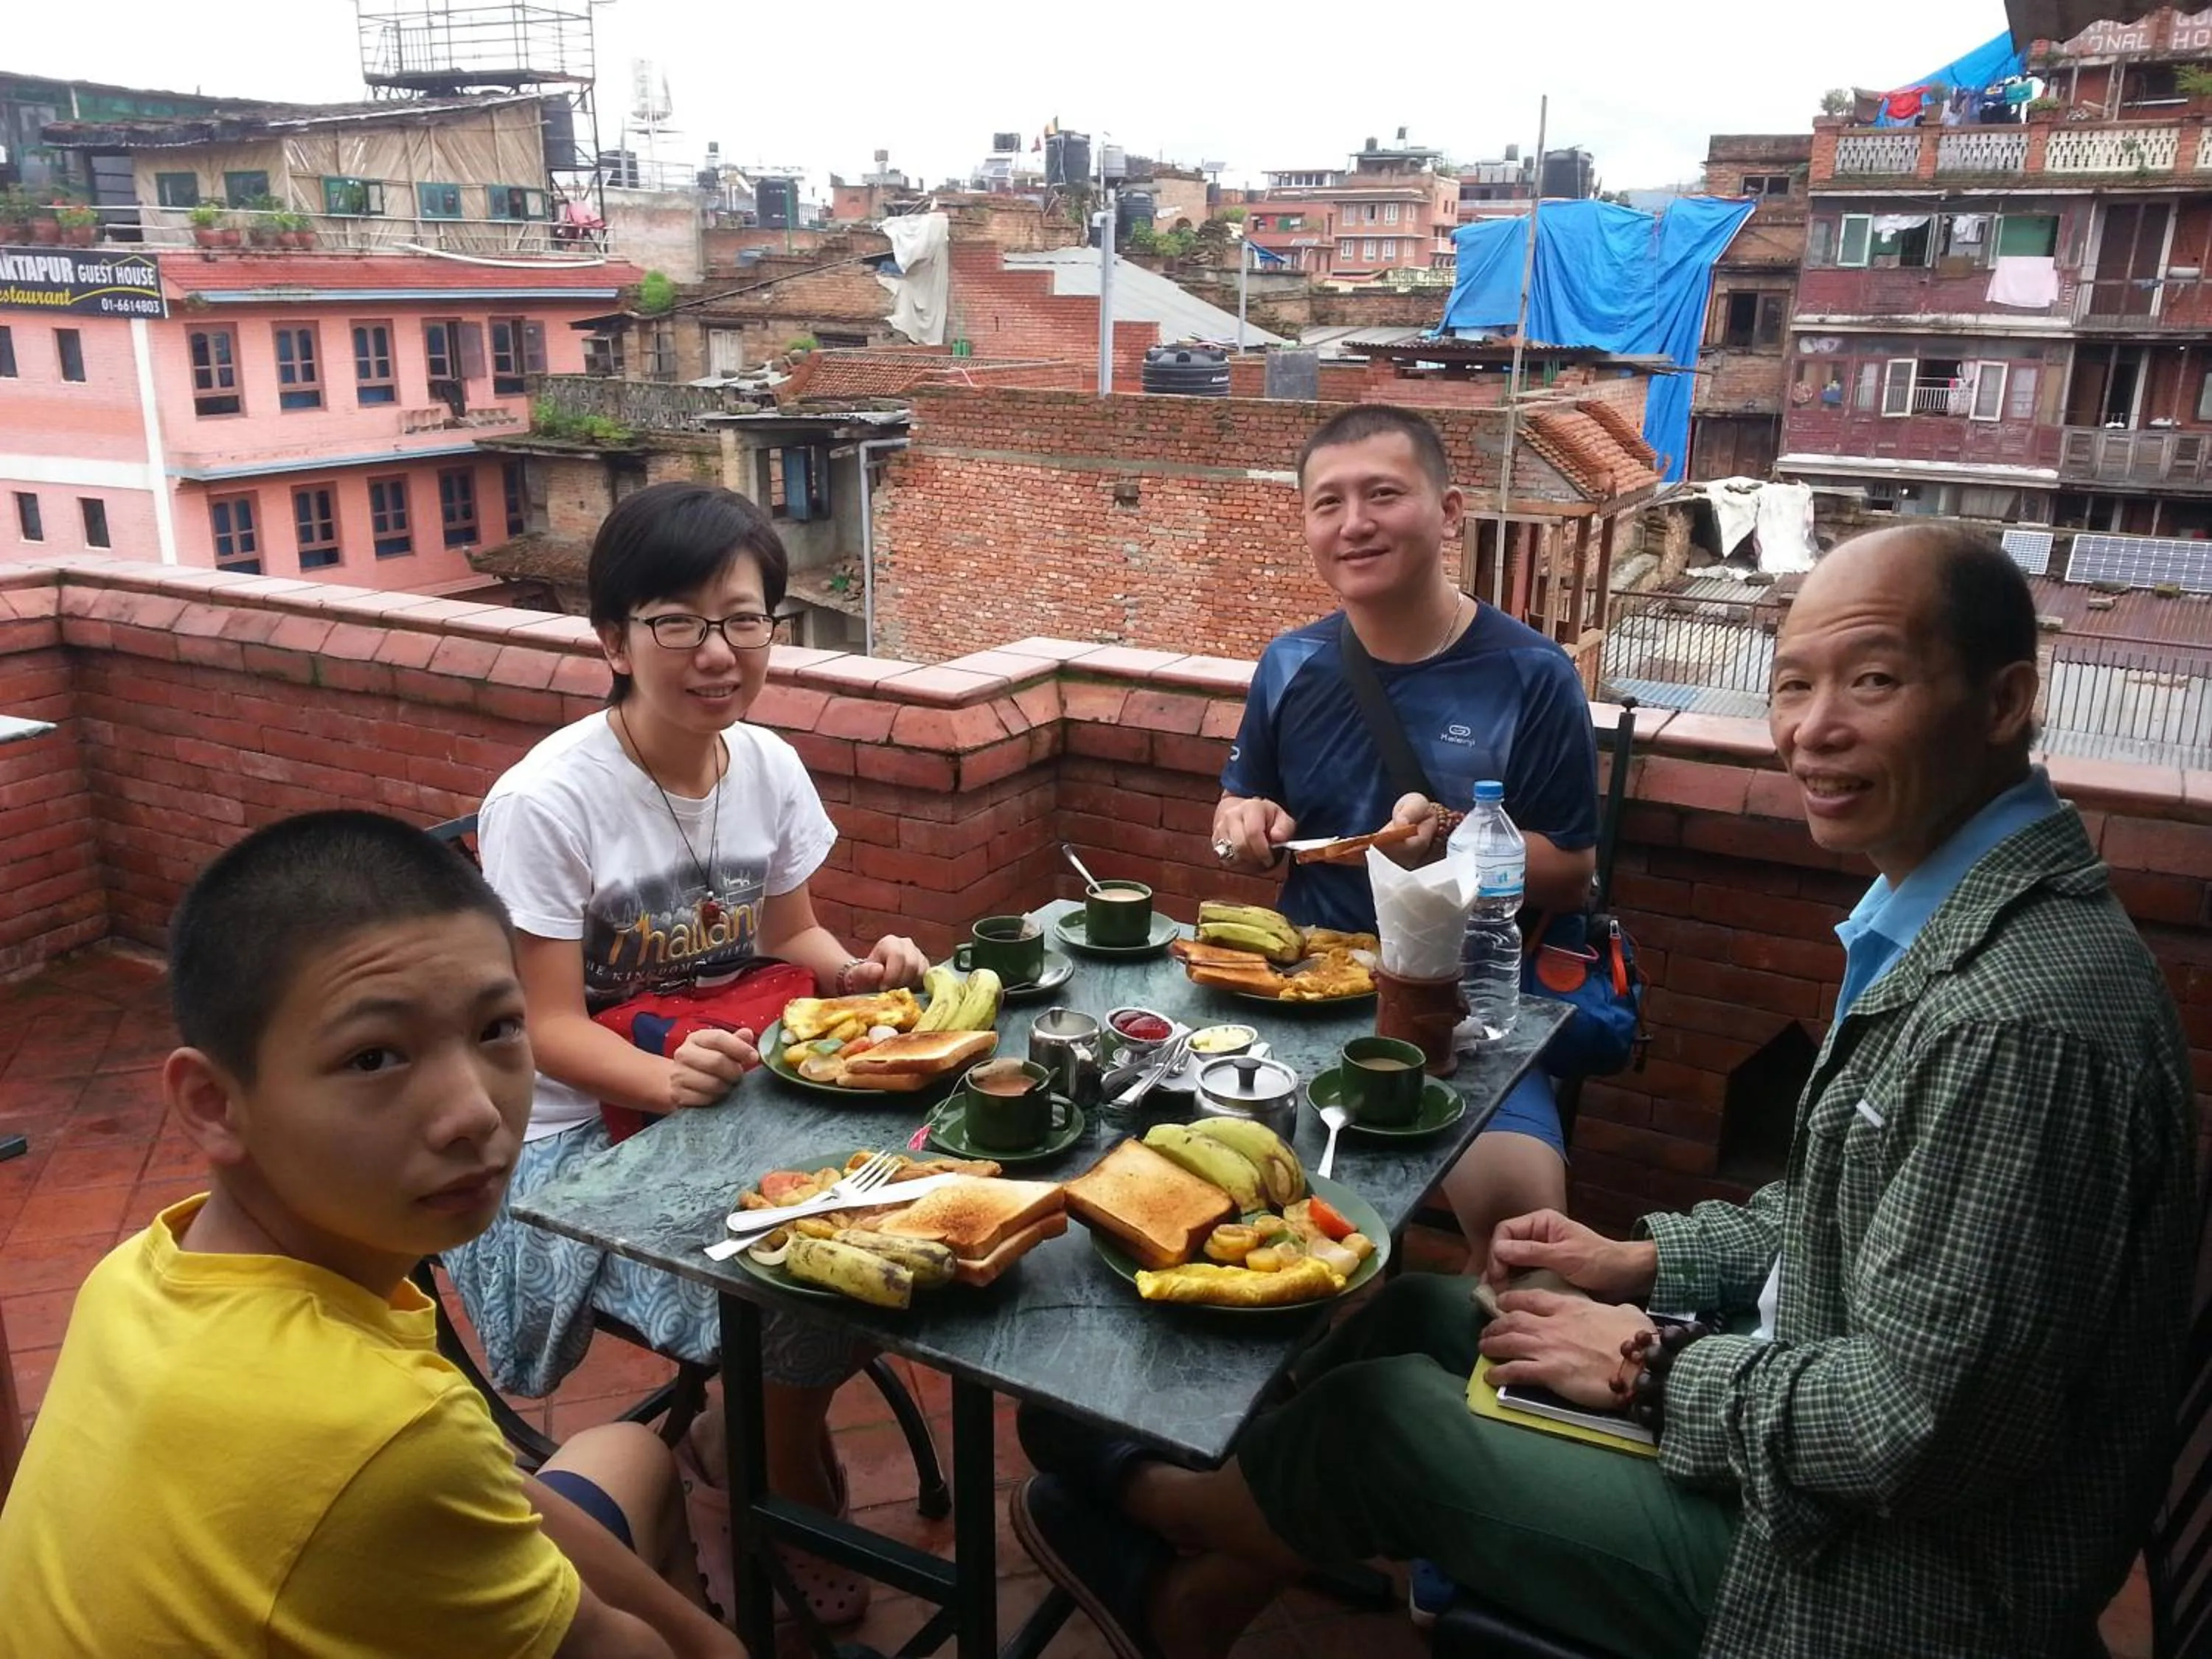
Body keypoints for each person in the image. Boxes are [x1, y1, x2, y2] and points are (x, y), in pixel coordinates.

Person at [1014, 524, 2197, 1658]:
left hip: (1872, 1581)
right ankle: (1198, 1605)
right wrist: (1635, 1265)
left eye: (1873, 682)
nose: (1812, 730)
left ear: (2002, 702)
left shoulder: (2019, 1020)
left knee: (1381, 1424)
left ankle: (1159, 1502)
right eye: (1792, 686)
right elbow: (1843, 1218)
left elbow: (1917, 1435)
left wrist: (1652, 1363)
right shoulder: (1944, 926)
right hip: (1816, 1451)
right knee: (1420, 1311)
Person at [0, 810, 739, 1659]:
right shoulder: (383, 1433)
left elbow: (487, 1484)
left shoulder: (139, 1270)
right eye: (373, 1058)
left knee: (632, 1457)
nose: (473, 1112)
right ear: (212, 1103)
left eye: (497, 1028)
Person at [442, 479, 926, 1629]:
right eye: (677, 621)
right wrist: (669, 1079)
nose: (717, 651)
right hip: (575, 1144)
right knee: (803, 1289)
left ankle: (734, 1437)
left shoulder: (764, 762)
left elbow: (789, 935)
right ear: (612, 638)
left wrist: (855, 972)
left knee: (915, 1217)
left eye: (744, 618)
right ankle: (769, 1480)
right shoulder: (548, 801)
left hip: (731, 1089)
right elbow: (544, 1027)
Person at [1211, 404, 1599, 1265]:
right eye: (1328, 503)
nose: (1354, 524)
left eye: (1383, 494)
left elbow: (1571, 871)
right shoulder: (1290, 663)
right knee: (1217, 1195)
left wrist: (1457, 845)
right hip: (1304, 985)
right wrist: (1241, 825)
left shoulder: (1531, 677)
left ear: (1449, 511)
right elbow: (1242, 801)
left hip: (1459, 1009)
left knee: (1527, 1246)